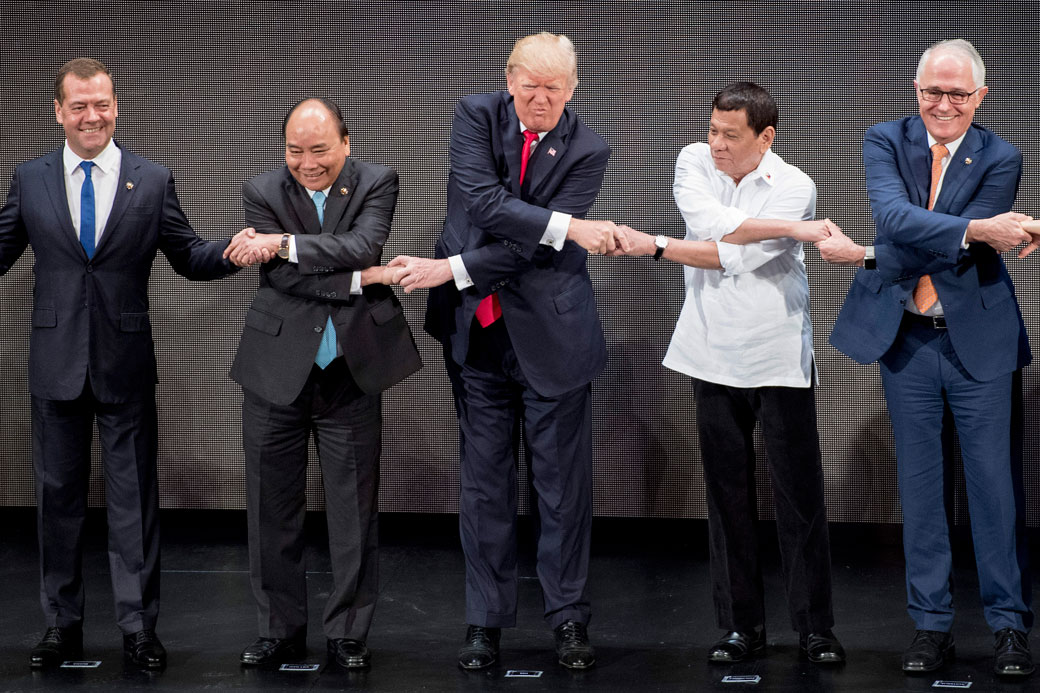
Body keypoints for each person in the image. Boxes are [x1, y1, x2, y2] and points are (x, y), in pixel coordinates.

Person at [387, 32, 627, 670]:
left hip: (554, 339)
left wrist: (453, 268)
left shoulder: (589, 149)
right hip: (476, 336)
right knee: (484, 487)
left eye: (555, 88)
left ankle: (569, 619)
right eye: (531, 84)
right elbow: (484, 203)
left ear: (572, 90)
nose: (541, 98)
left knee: (561, 490)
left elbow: (533, 247)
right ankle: (483, 622)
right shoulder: (474, 114)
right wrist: (566, 226)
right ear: (509, 78)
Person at [0, 58, 246, 670]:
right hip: (55, 365)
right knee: (56, 501)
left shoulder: (152, 179)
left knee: (134, 501)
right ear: (58, 111)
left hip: (125, 364)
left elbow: (189, 256)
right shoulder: (30, 179)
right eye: (79, 105)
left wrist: (239, 251)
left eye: (102, 103)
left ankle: (139, 628)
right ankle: (61, 625)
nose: (93, 116)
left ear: (117, 105)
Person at [819, 39, 1034, 677]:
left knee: (993, 490)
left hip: (977, 343)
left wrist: (868, 253)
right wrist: (974, 229)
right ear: (916, 90)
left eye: (956, 94)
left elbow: (929, 245)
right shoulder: (885, 139)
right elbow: (893, 216)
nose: (942, 104)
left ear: (980, 98)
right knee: (919, 490)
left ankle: (1008, 628)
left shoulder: (1002, 155)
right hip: (907, 339)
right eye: (930, 92)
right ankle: (930, 626)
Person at [615, 82, 845, 666]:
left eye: (730, 135)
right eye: (713, 129)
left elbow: (731, 253)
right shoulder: (694, 159)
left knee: (799, 499)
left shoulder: (795, 185)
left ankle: (815, 629)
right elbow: (709, 222)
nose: (715, 143)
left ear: (764, 137)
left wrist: (656, 245)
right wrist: (792, 231)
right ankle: (742, 625)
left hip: (776, 356)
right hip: (709, 352)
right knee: (726, 496)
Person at [223, 97, 421, 670]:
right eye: (294, 151)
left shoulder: (378, 181)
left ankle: (348, 632)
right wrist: (367, 278)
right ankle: (277, 630)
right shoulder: (262, 190)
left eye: (319, 150)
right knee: (270, 508)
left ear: (345, 143)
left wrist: (284, 243)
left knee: (354, 510)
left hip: (351, 372)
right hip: (274, 370)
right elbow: (283, 281)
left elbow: (359, 245)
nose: (306, 163)